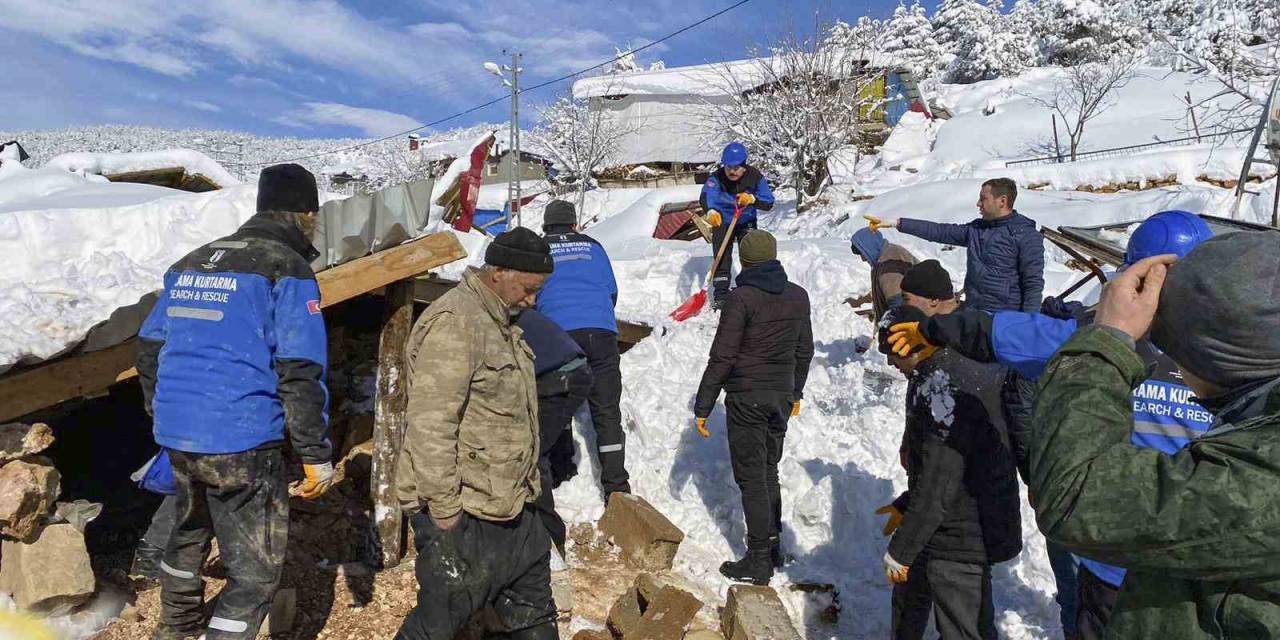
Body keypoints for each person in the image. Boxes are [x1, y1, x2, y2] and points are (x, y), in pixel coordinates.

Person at [887, 210, 1217, 639]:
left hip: (1110, 551)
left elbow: (998, 332)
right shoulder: (1244, 351)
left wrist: (934, 328)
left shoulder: (1091, 338)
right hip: (1203, 560)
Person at [1029, 231, 1280, 638]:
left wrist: (1107, 340)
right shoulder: (1255, 416)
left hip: (1115, 551)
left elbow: (1075, 496)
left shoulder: (1266, 475)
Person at [137, 163, 333, 640]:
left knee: (187, 536)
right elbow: (300, 369)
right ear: (306, 214)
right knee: (255, 570)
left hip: (179, 436)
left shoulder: (192, 262)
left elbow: (147, 348)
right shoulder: (286, 267)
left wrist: (162, 412)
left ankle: (176, 628)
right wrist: (315, 454)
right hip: (242, 438)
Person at [394, 228, 558, 640]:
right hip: (464, 510)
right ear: (498, 271)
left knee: (534, 619)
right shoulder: (456, 323)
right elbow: (432, 423)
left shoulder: (500, 322)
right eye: (528, 288)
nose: (532, 301)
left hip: (511, 507)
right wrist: (446, 509)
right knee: (439, 624)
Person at [876, 305, 1022, 640]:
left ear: (905, 346)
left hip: (963, 537)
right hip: (942, 524)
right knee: (909, 602)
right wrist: (907, 504)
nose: (889, 364)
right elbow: (941, 469)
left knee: (964, 629)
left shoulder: (944, 390)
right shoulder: (931, 375)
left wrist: (901, 551)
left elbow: (939, 483)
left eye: (890, 353)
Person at [693, 230, 813, 585]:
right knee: (768, 472)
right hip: (779, 397)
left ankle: (759, 558)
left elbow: (723, 355)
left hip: (747, 398)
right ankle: (773, 546)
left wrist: (703, 404)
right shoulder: (798, 296)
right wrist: (795, 392)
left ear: (744, 261)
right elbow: (804, 350)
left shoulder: (740, 298)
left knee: (752, 479)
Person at [537, 199, 632, 497]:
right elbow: (612, 291)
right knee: (606, 410)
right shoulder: (594, 246)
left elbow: (528, 295)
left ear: (545, 227)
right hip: (601, 333)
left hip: (557, 335)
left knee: (557, 401)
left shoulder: (539, 250)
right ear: (574, 225)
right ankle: (616, 487)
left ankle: (561, 471)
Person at [866, 178, 1044, 312]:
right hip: (975, 311)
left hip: (1006, 316)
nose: (978, 203)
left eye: (983, 199)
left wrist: (1029, 322)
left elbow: (1033, 283)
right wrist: (898, 223)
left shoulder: (1025, 235)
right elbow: (939, 231)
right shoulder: (976, 229)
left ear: (1002, 201)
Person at [515, 307, 593, 557]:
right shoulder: (502, 309)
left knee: (530, 453)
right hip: (564, 371)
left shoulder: (494, 316)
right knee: (536, 445)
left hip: (560, 377)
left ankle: (549, 537)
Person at [700, 142, 776, 309]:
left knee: (752, 256)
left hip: (745, 220)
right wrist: (711, 211)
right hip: (723, 220)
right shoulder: (716, 178)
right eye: (728, 167)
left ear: (744, 166)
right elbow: (707, 195)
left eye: (736, 167)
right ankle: (721, 296)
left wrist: (753, 199)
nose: (732, 171)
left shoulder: (755, 177)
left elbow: (769, 202)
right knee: (721, 257)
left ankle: (751, 290)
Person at [850, 227, 918, 321]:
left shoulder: (889, 263)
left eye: (863, 253)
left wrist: (891, 328)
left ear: (870, 246)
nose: (863, 259)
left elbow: (898, 304)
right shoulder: (887, 254)